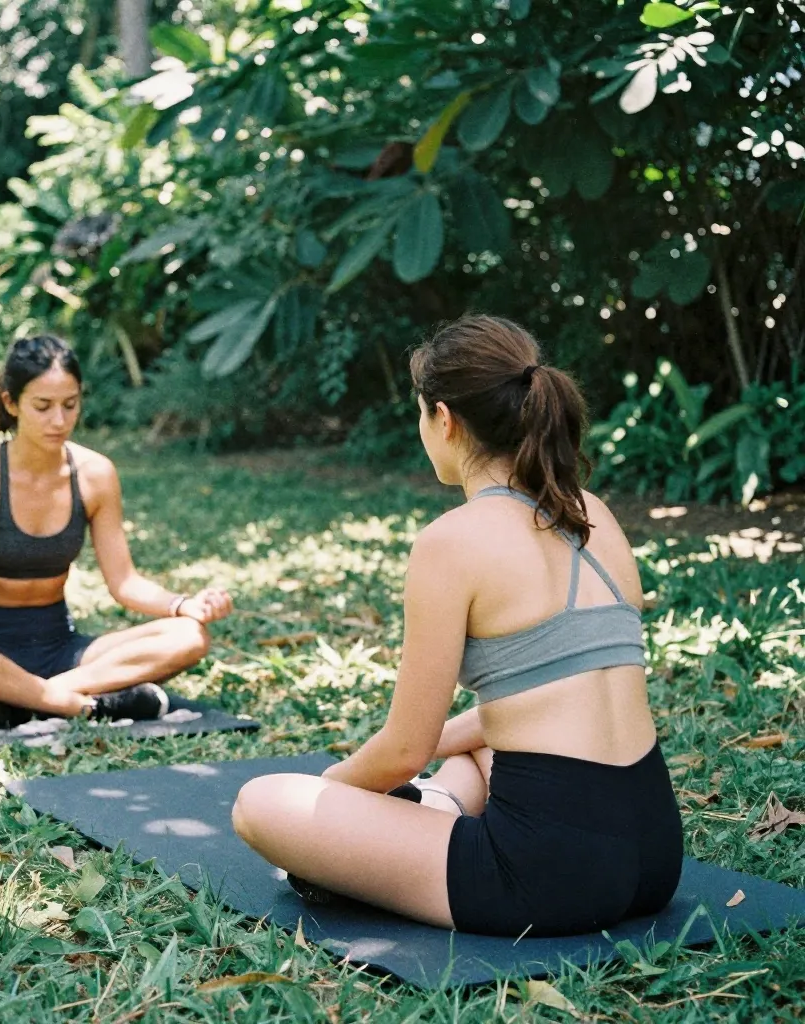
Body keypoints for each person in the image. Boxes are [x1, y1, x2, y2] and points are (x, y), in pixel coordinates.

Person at [232, 315, 682, 937]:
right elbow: (558, 699)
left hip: (547, 878)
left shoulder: (451, 542)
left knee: (260, 804)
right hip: (655, 852)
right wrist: (450, 743)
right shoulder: (593, 514)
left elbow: (403, 750)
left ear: (443, 419)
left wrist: (330, 794)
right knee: (479, 743)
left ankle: (414, 819)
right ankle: (438, 805)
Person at [0, 334, 233, 724]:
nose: (59, 420)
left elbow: (125, 583)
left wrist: (184, 605)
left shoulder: (96, 474)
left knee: (190, 636)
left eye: (70, 404)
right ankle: (83, 705)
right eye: (43, 407)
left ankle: (27, 701)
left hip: (62, 650)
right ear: (11, 403)